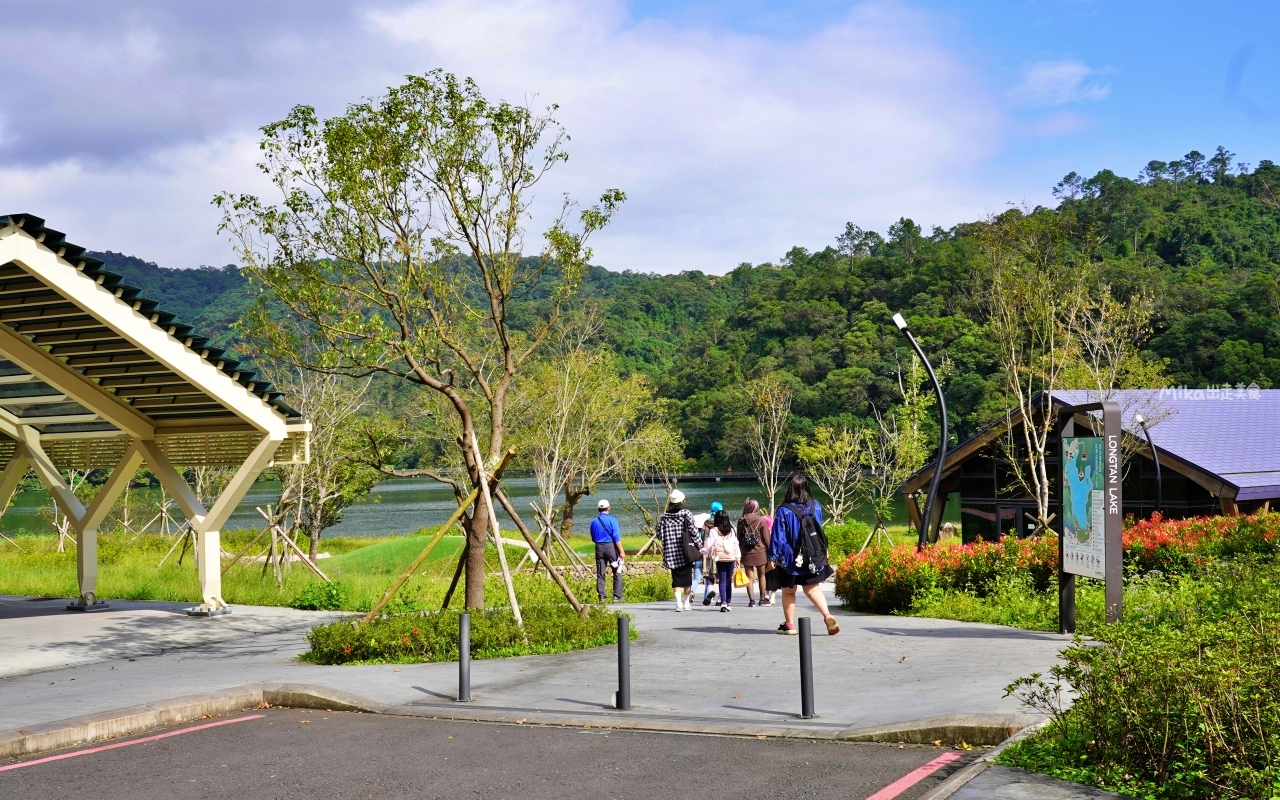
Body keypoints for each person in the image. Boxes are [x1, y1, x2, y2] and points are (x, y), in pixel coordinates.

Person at [767, 474, 840, 636]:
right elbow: (818, 531)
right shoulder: (816, 506)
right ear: (807, 488)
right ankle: (827, 616)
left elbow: (778, 537)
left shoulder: (784, 510)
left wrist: (772, 557)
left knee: (789, 591)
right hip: (812, 556)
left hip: (789, 559)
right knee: (813, 590)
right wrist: (824, 550)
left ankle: (790, 625)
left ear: (790, 489)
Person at [658, 489, 701, 611]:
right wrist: (700, 546)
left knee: (676, 579)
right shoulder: (686, 514)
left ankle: (678, 604)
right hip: (685, 551)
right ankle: (686, 603)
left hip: (671, 553)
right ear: (682, 502)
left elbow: (659, 535)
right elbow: (694, 532)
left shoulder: (664, 517)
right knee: (687, 578)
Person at [703, 508, 741, 611]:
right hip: (731, 558)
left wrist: (702, 551)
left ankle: (723, 602)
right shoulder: (731, 531)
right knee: (729, 581)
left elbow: (710, 545)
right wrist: (738, 557)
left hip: (720, 558)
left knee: (722, 580)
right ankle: (729, 603)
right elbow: (736, 544)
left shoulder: (714, 531)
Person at [590, 499, 626, 604]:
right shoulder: (612, 520)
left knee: (600, 572)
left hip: (599, 548)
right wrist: (621, 551)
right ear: (608, 508)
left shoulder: (594, 522)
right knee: (617, 571)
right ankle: (617, 596)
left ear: (598, 509)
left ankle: (602, 596)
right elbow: (616, 537)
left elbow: (593, 538)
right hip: (611, 547)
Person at [737, 498, 771, 606]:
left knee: (749, 578)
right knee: (762, 576)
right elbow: (766, 538)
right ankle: (762, 599)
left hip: (747, 552)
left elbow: (739, 538)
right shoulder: (761, 520)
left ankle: (751, 601)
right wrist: (771, 552)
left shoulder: (741, 520)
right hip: (760, 552)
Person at [699, 501, 725, 605]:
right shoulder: (723, 523)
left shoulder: (706, 523)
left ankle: (710, 592)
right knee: (722, 576)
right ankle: (720, 598)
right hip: (720, 552)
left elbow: (702, 537)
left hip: (708, 552)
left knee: (709, 575)